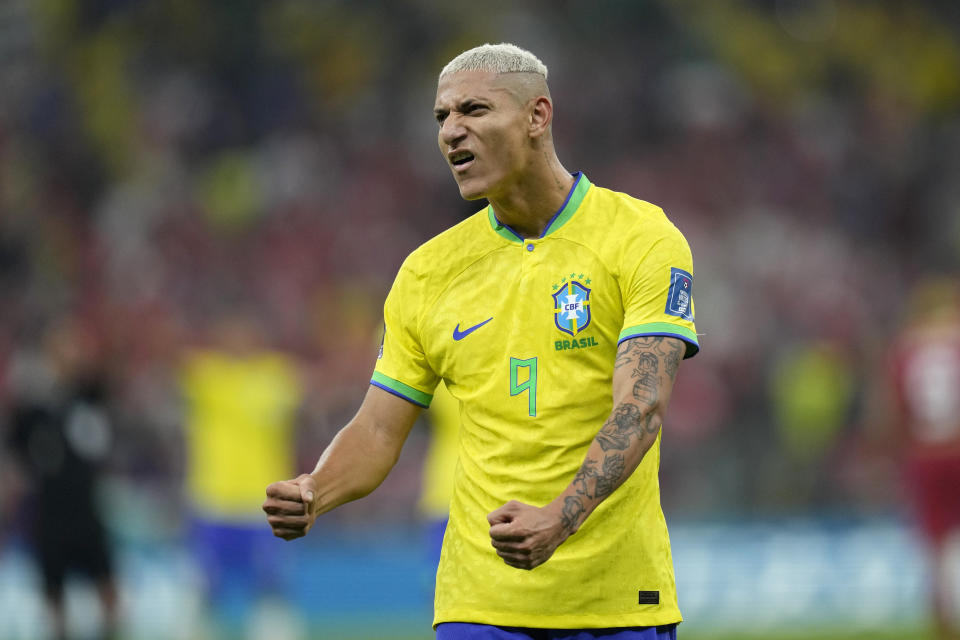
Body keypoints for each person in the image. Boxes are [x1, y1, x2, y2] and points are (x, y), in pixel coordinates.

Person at [263, 43, 699, 639]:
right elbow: (377, 429)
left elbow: (641, 406)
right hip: (479, 603)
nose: (451, 132)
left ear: (537, 116)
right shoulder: (428, 273)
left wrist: (560, 517)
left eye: (473, 110)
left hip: (615, 598)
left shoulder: (642, 238)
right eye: (441, 117)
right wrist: (316, 488)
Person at [5, 318, 119, 640]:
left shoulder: (90, 394)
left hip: (86, 506)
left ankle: (110, 632)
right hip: (49, 509)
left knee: (106, 581)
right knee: (53, 589)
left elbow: (107, 380)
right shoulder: (34, 406)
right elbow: (17, 449)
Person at [882, 277, 960, 640]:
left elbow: (895, 410)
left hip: (925, 451)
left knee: (936, 545)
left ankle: (943, 626)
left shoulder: (907, 347)